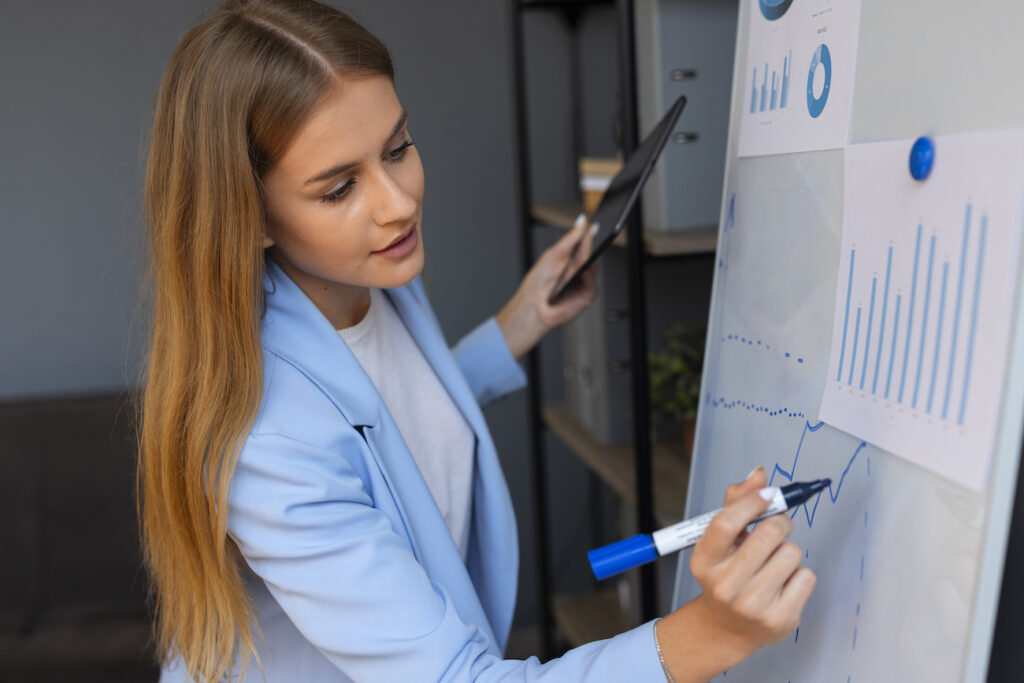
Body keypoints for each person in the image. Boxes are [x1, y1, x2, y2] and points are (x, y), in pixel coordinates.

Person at [137, 1, 817, 681]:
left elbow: (391, 419)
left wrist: (517, 324)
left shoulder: (366, 272)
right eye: (340, 187)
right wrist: (712, 632)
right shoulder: (271, 443)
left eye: (398, 148)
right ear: (249, 216)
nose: (397, 203)